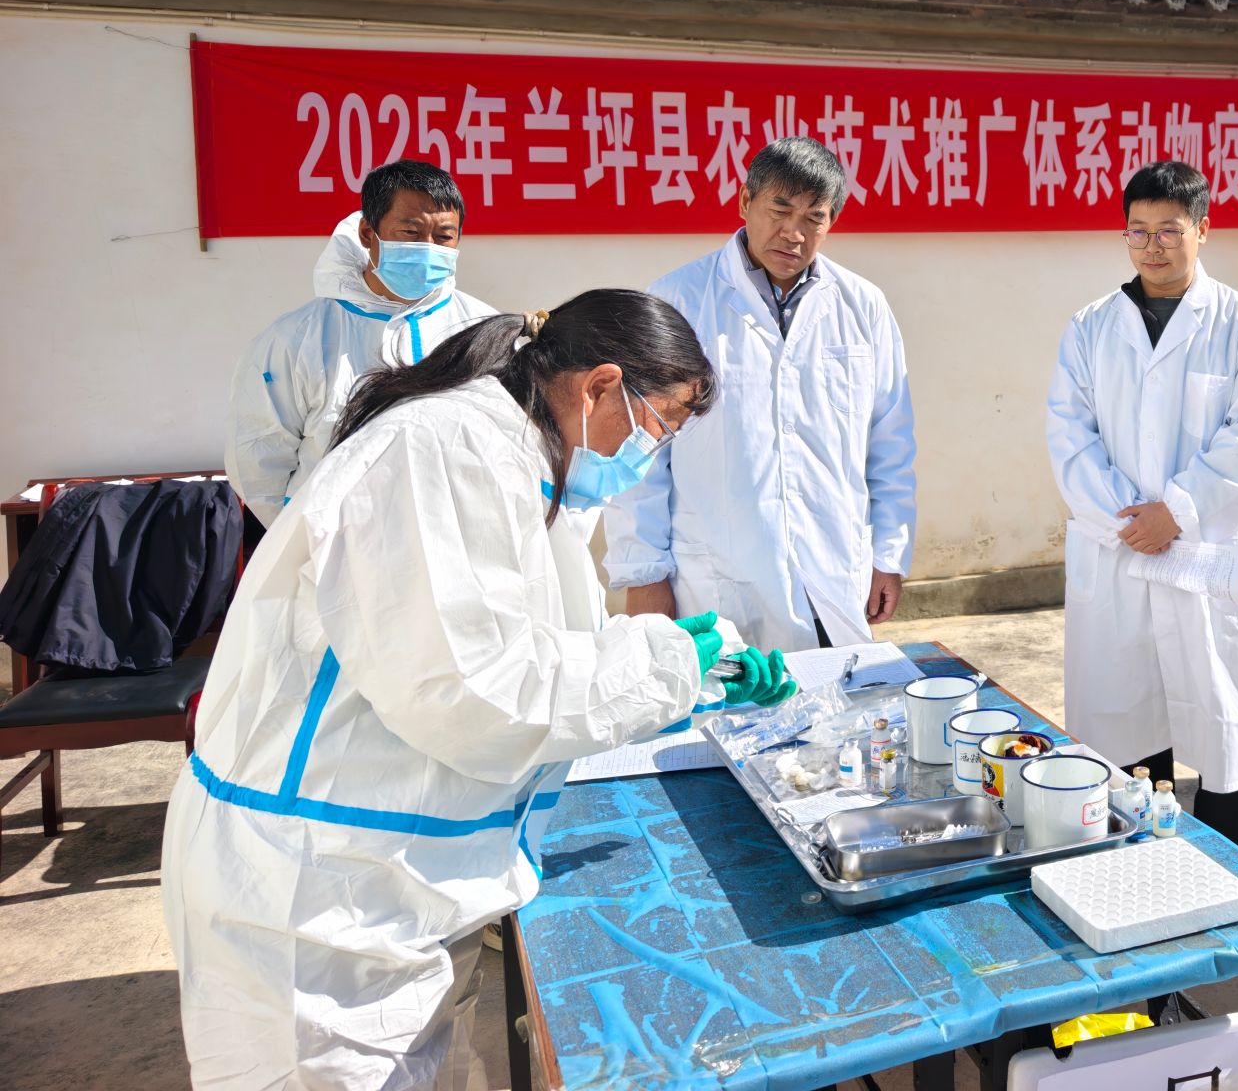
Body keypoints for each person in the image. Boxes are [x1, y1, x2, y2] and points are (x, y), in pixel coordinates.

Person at [162, 291, 796, 1090]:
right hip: (312, 900)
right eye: (659, 425)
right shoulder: (443, 452)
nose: (650, 452)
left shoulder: (521, 461)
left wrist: (695, 676)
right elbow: (476, 694)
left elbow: (539, 652)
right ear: (601, 387)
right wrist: (670, 662)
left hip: (391, 878)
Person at [1046, 161, 1238, 852]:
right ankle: (1137, 876)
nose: (1152, 246)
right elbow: (1070, 437)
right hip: (1120, 553)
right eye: (1138, 231)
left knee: (1220, 732)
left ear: (1203, 230)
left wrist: (1175, 511)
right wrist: (1132, 519)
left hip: (1201, 558)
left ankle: (1228, 876)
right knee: (1126, 739)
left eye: (1169, 231)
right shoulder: (1091, 327)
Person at [605, 137, 917, 654]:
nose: (793, 233)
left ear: (832, 223)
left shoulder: (864, 306)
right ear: (745, 201)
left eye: (813, 218)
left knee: (831, 698)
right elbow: (639, 451)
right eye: (780, 209)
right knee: (729, 701)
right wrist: (643, 575)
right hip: (718, 581)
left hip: (832, 575)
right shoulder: (677, 300)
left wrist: (888, 555)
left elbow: (890, 443)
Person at [225, 160, 496, 530]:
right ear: (369, 233)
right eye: (411, 232)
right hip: (341, 547)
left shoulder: (483, 329)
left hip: (457, 539)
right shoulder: (298, 339)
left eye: (444, 237)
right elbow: (258, 461)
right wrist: (307, 538)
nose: (428, 248)